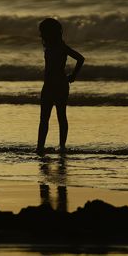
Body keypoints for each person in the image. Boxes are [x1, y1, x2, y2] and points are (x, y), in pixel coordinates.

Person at [36, 17, 84, 155]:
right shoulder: (48, 46)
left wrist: (73, 76)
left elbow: (80, 58)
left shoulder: (61, 46)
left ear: (50, 33)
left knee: (60, 116)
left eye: (43, 32)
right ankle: (40, 147)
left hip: (60, 86)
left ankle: (62, 146)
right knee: (44, 118)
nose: (40, 35)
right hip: (48, 85)